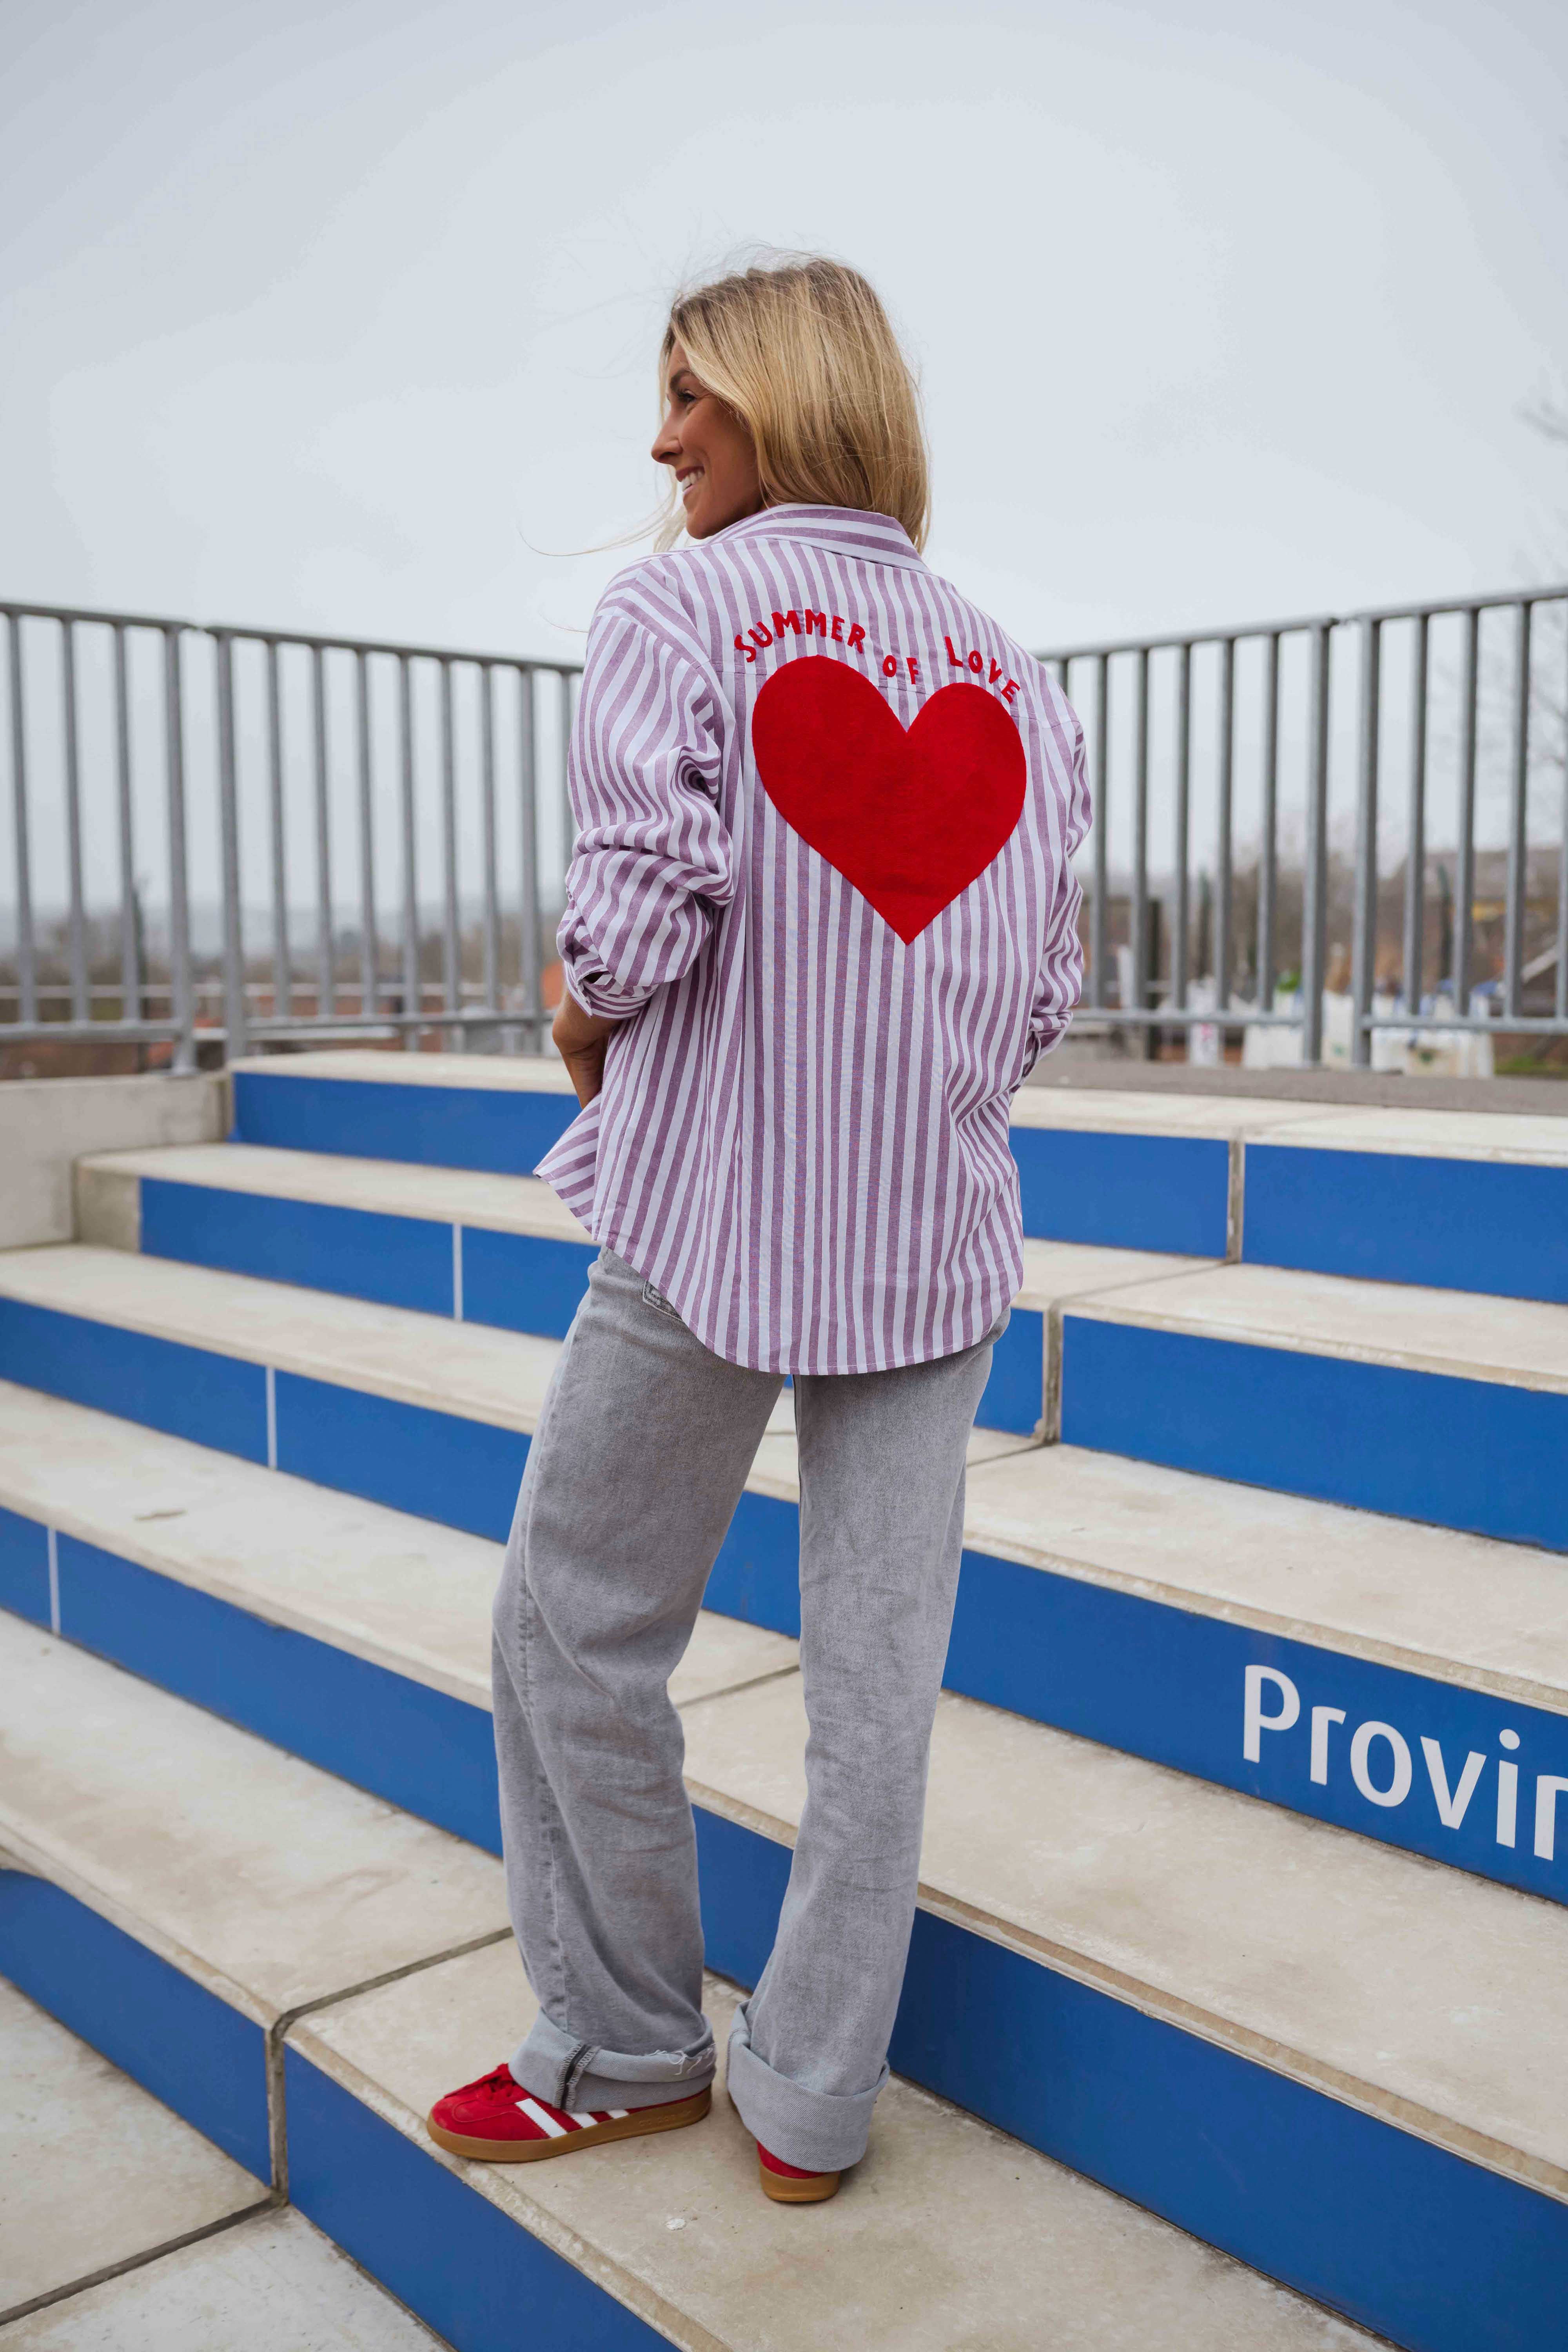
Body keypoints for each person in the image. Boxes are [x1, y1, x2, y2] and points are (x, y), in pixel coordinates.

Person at [427, 254, 1088, 2205]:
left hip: (714, 1217)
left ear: (782, 396)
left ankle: (628, 2048)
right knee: (874, 1696)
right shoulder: (1013, 669)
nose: (659, 440)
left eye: (689, 395)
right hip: (935, 1234)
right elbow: (1041, 986)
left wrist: (573, 1022)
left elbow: (635, 915)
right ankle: (811, 2107)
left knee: (570, 1625)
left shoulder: (674, 607)